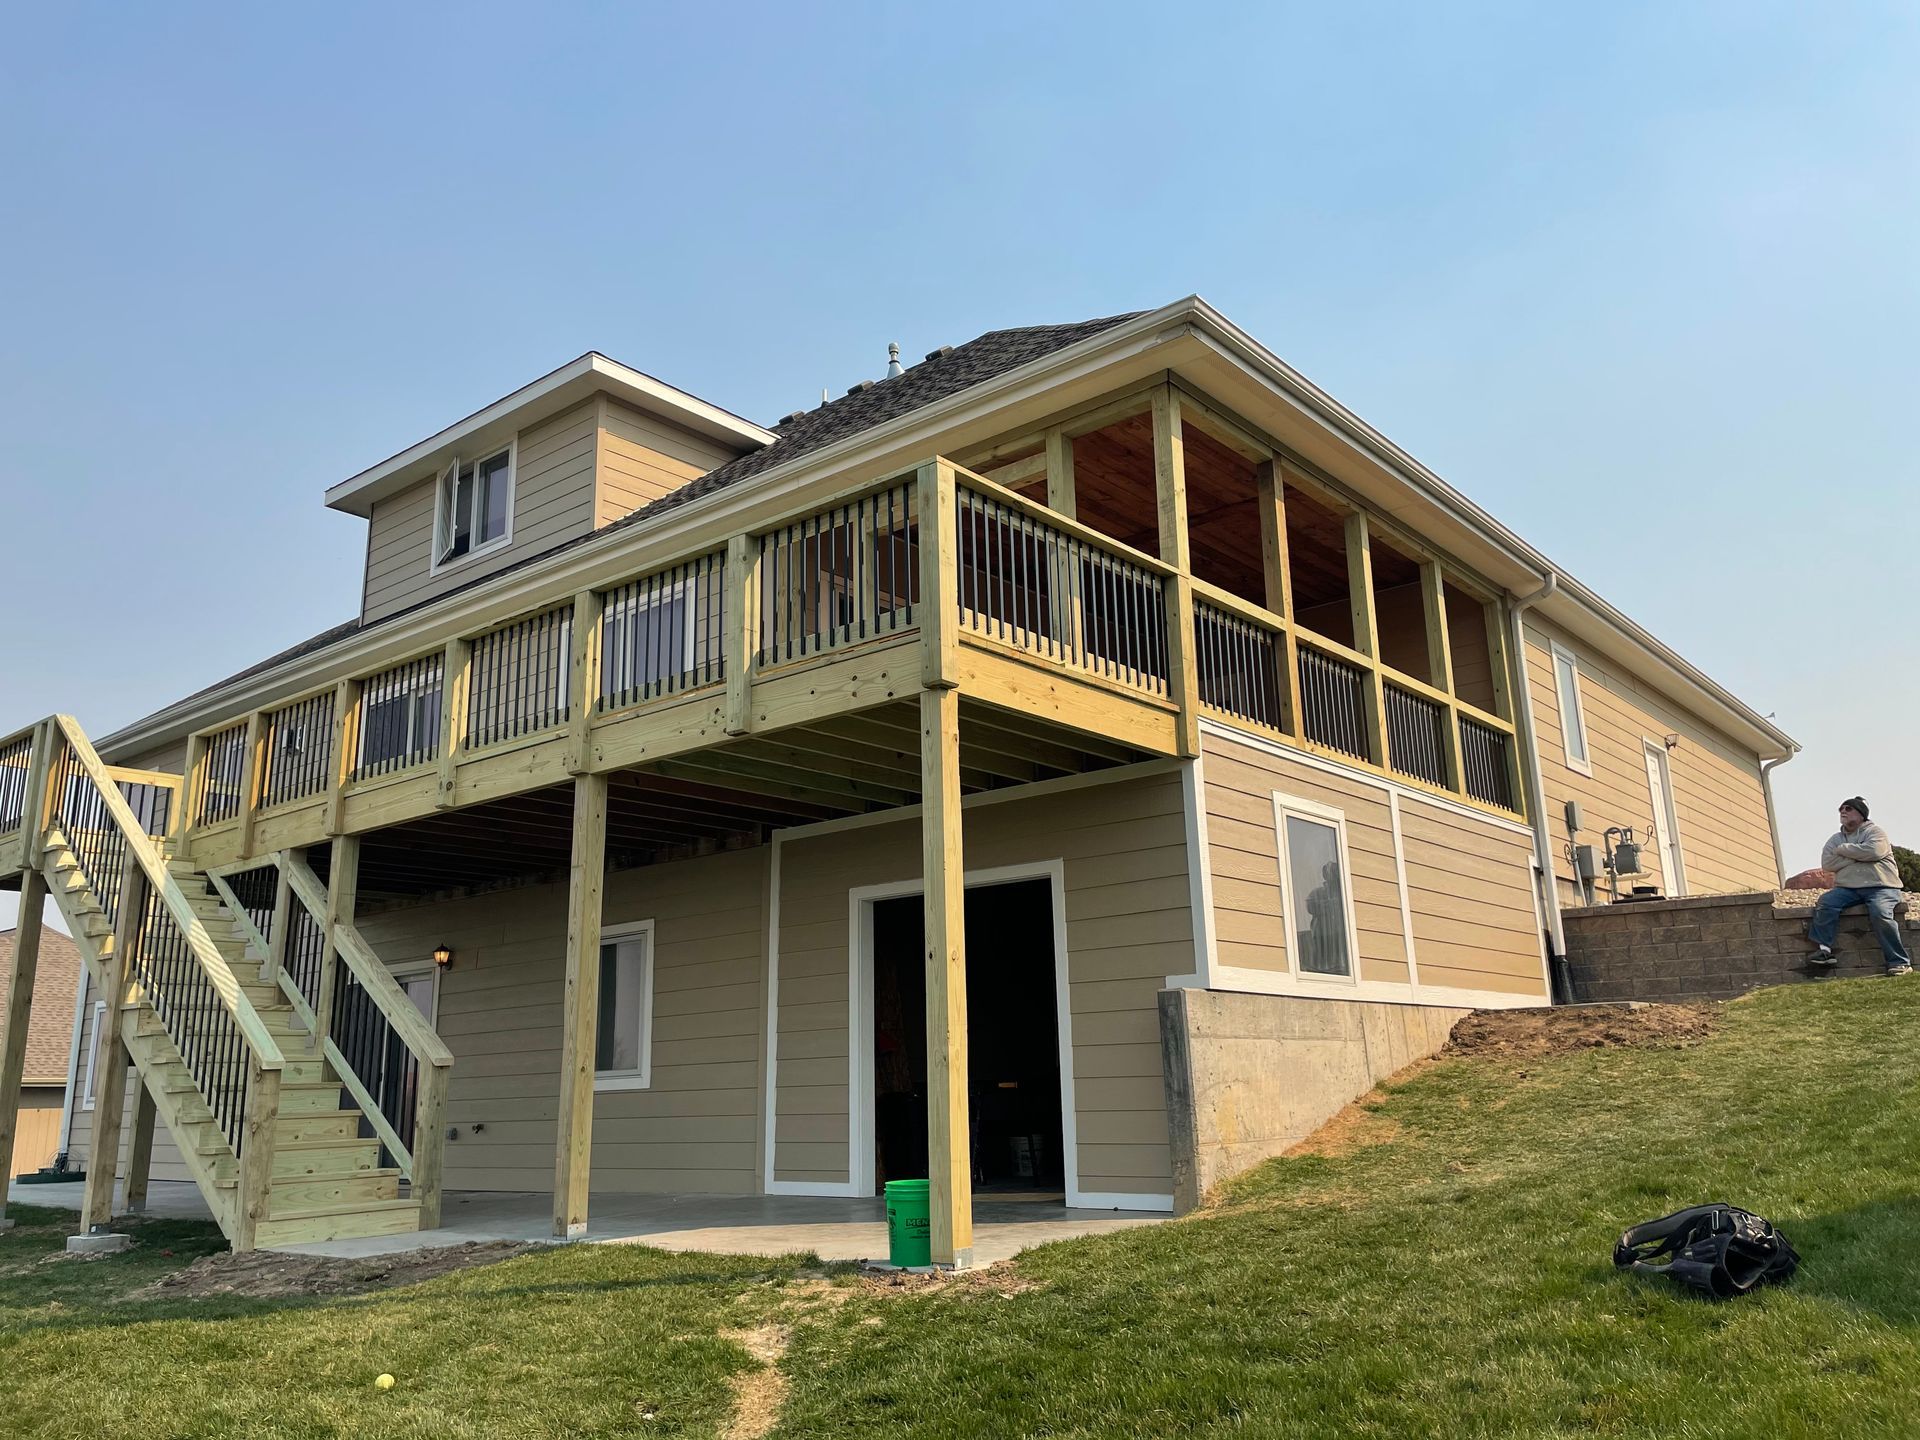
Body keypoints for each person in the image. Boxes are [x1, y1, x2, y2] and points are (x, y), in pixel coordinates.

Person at [1807, 797, 1913, 976]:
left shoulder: (1875, 832)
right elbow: (1828, 864)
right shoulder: (1835, 839)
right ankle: (1824, 951)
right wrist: (1859, 853)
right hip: (1848, 889)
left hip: (1883, 887)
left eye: (1848, 808)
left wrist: (1844, 850)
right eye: (1841, 809)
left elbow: (1874, 851)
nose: (1843, 811)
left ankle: (1899, 963)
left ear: (1861, 813)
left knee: (1880, 912)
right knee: (1826, 902)